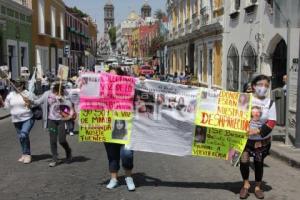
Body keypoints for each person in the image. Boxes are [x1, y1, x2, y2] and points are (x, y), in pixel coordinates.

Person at [239, 75, 276, 199]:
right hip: (245, 140)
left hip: (261, 141)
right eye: (261, 85)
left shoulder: (270, 103)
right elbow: (235, 115)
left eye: (266, 85)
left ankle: (258, 187)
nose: (263, 87)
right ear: (254, 86)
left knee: (258, 162)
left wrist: (257, 131)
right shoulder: (245, 99)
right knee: (244, 161)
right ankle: (245, 185)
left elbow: (272, 122)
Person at [104, 68, 135, 191]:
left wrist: (142, 82)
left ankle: (128, 177)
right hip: (108, 126)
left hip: (126, 126)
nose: (110, 79)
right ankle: (114, 179)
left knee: (127, 154)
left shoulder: (129, 88)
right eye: (109, 76)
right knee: (112, 155)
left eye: (114, 76)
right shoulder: (103, 90)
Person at [33, 82, 72, 167]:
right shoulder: (48, 94)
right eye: (54, 89)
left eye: (58, 89)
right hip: (52, 121)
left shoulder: (65, 94)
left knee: (62, 140)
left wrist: (62, 100)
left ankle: (68, 151)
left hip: (61, 120)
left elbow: (69, 105)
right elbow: (38, 102)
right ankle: (55, 158)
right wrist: (30, 101)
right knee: (52, 140)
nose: (56, 91)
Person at [0, 79, 35, 164]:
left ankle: (28, 154)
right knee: (21, 137)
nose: (17, 87)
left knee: (23, 134)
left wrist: (30, 103)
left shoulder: (28, 93)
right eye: (16, 85)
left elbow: (35, 103)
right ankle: (24, 153)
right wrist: (1, 101)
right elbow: (6, 107)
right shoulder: (11, 95)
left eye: (19, 85)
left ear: (23, 85)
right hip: (16, 120)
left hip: (27, 118)